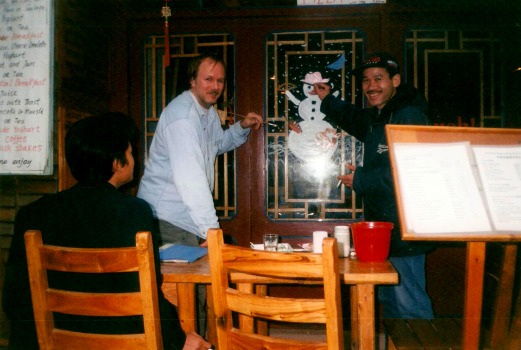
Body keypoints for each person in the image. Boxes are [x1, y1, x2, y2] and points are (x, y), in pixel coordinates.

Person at [2, 113, 211, 350]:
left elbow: (13, 299)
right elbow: (148, 295)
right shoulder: (133, 212)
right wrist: (181, 340)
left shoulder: (32, 214)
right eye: (131, 153)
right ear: (116, 162)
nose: (134, 160)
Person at [314, 52, 434, 319]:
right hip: (385, 232)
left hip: (406, 234)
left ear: (396, 80)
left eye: (379, 78)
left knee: (409, 307)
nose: (371, 86)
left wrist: (361, 179)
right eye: (366, 81)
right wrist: (328, 100)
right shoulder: (382, 115)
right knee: (391, 304)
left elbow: (410, 173)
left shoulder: (409, 115)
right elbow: (357, 120)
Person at [137, 53, 262, 247]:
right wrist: (211, 229)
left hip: (183, 219)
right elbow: (190, 177)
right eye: (209, 79)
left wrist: (242, 126)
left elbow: (217, 144)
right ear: (192, 80)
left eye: (220, 81)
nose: (215, 87)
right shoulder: (183, 116)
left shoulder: (208, 111)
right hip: (166, 219)